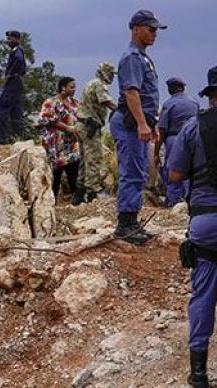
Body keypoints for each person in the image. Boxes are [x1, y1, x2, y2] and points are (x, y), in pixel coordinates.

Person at [167, 64, 217, 388]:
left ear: (211, 95)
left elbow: (173, 176)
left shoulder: (192, 127)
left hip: (204, 225)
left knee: (202, 295)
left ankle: (198, 374)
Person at [110, 9, 166, 245]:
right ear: (136, 29)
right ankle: (125, 226)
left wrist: (150, 124)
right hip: (130, 123)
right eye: (150, 29)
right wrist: (143, 123)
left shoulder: (142, 56)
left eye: (156, 30)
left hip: (139, 123)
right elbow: (131, 93)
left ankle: (131, 221)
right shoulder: (132, 57)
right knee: (132, 173)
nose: (155, 34)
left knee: (139, 171)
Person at [73, 62, 118, 205]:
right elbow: (106, 102)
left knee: (84, 160)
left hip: (82, 124)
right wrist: (121, 110)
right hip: (90, 126)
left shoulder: (90, 83)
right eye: (111, 73)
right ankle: (92, 193)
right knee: (94, 158)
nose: (112, 77)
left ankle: (79, 193)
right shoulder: (99, 85)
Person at [155, 77, 199, 207]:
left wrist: (156, 152)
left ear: (170, 89)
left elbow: (162, 129)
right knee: (190, 170)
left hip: (174, 139)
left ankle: (173, 201)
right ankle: (188, 200)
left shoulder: (169, 104)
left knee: (172, 170)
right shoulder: (194, 102)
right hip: (193, 138)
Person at [38, 77, 80, 201]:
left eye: (74, 87)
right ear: (63, 88)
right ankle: (52, 201)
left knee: (74, 170)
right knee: (56, 172)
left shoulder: (74, 103)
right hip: (56, 144)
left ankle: (76, 202)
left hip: (71, 145)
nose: (74, 89)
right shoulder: (50, 103)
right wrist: (67, 128)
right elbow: (46, 119)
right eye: (71, 87)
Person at [0, 30, 26, 145]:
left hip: (13, 82)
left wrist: (8, 76)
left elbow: (19, 61)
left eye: (10, 39)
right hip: (18, 82)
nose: (7, 41)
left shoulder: (17, 52)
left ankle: (1, 137)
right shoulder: (18, 51)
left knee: (1, 108)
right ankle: (18, 137)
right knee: (16, 110)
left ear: (16, 39)